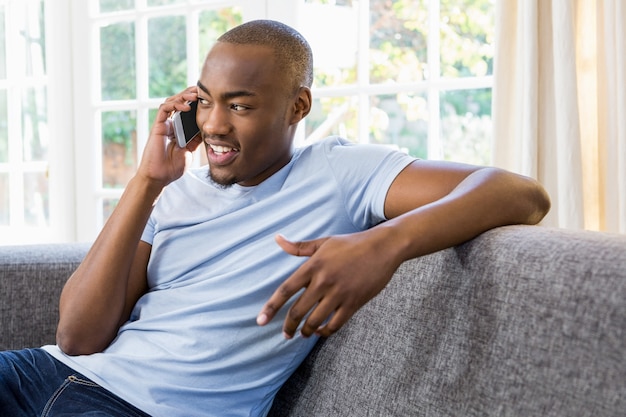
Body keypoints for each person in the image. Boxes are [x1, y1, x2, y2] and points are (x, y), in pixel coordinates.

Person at [0, 19, 550, 417]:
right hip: (44, 375)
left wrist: (385, 244)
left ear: (297, 106)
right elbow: (76, 338)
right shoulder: (169, 193)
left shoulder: (339, 172)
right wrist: (146, 184)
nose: (215, 124)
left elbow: (520, 193)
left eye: (239, 106)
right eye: (207, 101)